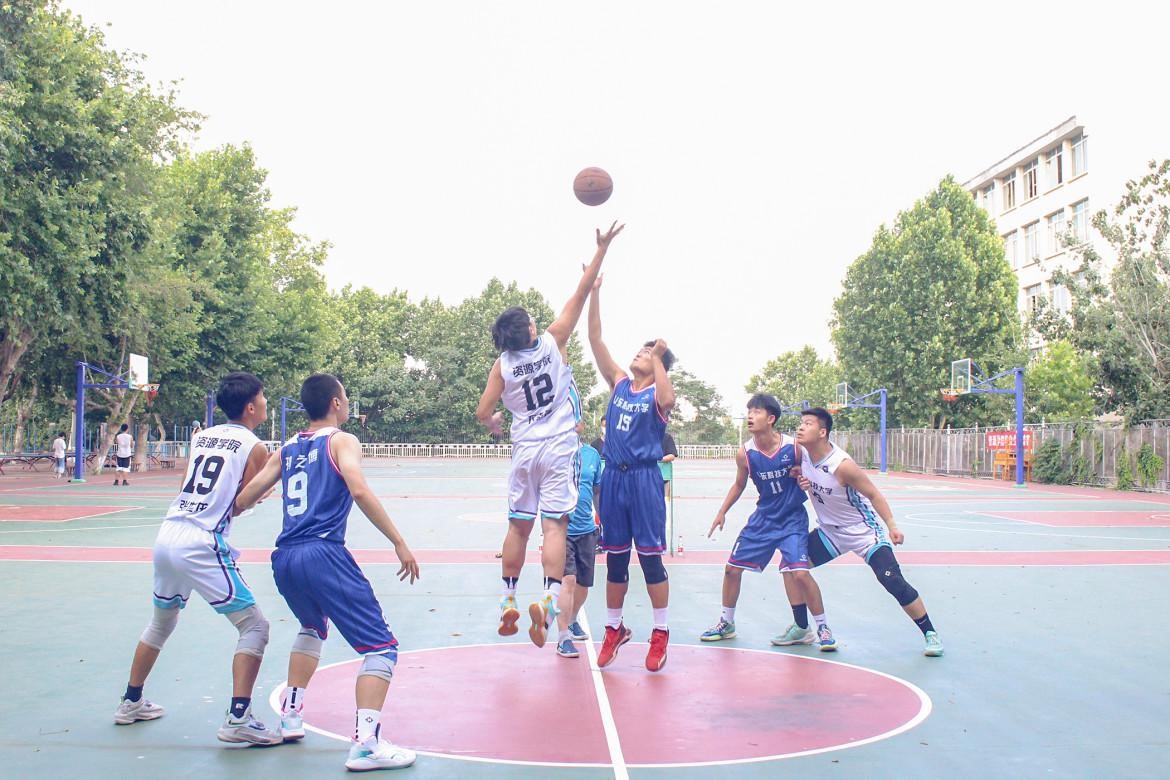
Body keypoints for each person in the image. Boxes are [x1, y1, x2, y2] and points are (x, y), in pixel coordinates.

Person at [235, 373, 421, 771]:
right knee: (381, 647)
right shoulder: (341, 441)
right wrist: (398, 541)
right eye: (346, 397)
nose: (348, 403)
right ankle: (367, 744)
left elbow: (245, 497)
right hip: (323, 552)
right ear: (336, 403)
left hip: (285, 557)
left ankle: (291, 715)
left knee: (312, 627)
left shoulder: (287, 448)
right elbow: (359, 489)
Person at [475, 222, 623, 650]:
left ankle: (508, 599)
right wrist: (601, 249)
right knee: (555, 527)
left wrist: (495, 423)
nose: (537, 321)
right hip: (559, 447)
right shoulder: (554, 340)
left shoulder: (502, 366)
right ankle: (547, 600)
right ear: (530, 331)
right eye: (532, 319)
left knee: (518, 526)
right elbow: (580, 292)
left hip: (524, 449)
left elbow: (482, 412)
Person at [113, 372, 282, 745]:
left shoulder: (202, 437)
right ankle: (238, 719)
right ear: (250, 406)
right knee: (255, 627)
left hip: (169, 532)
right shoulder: (254, 446)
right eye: (263, 398)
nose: (266, 403)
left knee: (161, 623)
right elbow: (240, 502)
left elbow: (186, 488)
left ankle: (130, 701)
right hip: (202, 542)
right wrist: (263, 491)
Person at [795, 408, 944, 657]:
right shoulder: (803, 456)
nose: (800, 427)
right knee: (793, 567)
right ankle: (808, 628)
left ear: (822, 432)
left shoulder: (842, 465)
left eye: (807, 423)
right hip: (830, 532)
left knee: (891, 579)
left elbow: (874, 494)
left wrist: (892, 526)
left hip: (863, 532)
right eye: (800, 423)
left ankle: (930, 633)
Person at [586, 272, 676, 672]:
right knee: (616, 561)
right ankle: (613, 628)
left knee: (651, 561)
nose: (639, 354)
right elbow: (595, 339)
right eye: (641, 350)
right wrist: (594, 292)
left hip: (644, 480)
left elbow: (668, 398)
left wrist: (658, 357)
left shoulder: (657, 394)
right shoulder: (620, 383)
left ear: (657, 365)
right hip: (615, 479)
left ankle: (660, 632)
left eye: (647, 353)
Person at [703, 395, 837, 651]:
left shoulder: (795, 448)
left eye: (756, 412)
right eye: (749, 411)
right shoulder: (745, 453)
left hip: (792, 519)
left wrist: (804, 480)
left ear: (771, 419)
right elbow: (739, 484)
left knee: (800, 573)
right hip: (763, 519)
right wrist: (722, 511)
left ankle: (822, 627)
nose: (750, 416)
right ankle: (726, 623)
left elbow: (812, 473)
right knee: (731, 570)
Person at [556, 420, 603, 659]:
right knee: (569, 580)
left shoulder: (592, 455)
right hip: (561, 529)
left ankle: (573, 619)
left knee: (583, 584)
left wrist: (602, 518)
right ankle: (563, 638)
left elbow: (597, 490)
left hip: (587, 529)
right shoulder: (553, 452)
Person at [660, 430, 678, 501]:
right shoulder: (643, 436)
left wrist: (657, 459)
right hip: (645, 478)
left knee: (665, 501)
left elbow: (672, 456)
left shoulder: (667, 437)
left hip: (663, 478)